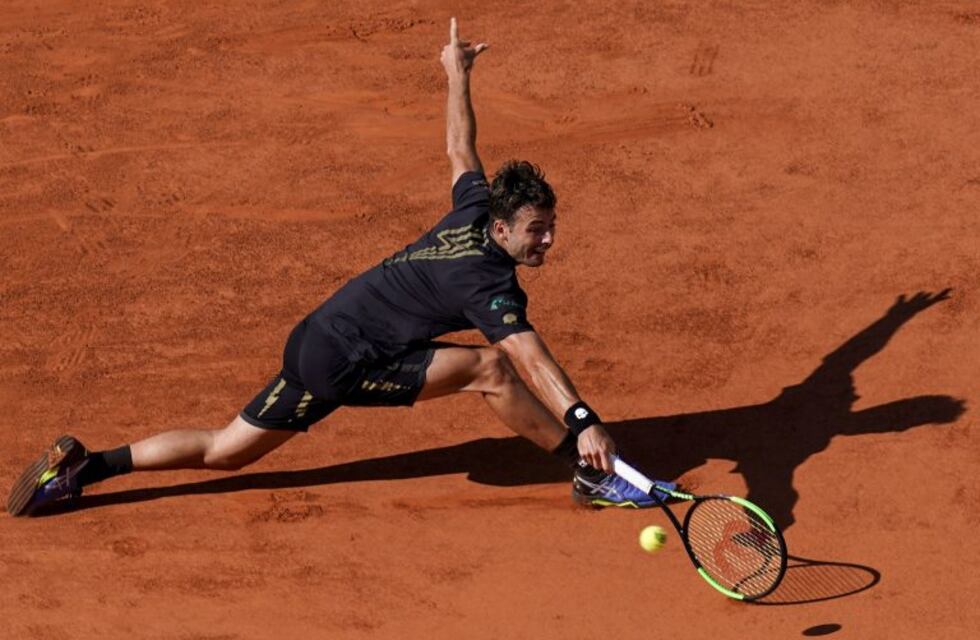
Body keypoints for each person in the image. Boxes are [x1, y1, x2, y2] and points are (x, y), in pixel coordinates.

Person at [6, 18, 675, 517]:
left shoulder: (475, 207)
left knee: (226, 450)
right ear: (502, 229)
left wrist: (457, 73)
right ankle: (593, 475)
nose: (549, 240)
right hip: (345, 360)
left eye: (552, 227)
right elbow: (528, 359)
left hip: (317, 336)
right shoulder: (485, 279)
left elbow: (459, 149)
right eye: (538, 230)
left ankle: (87, 467)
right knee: (490, 368)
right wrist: (583, 419)